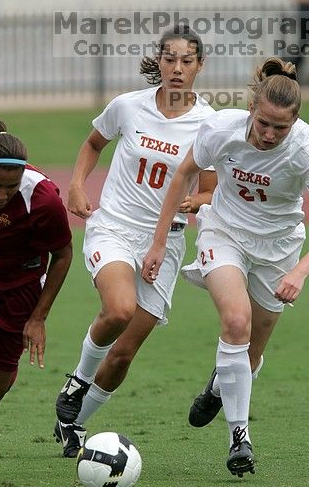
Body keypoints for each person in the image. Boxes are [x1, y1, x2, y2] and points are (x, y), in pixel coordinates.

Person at [142, 57, 309, 478]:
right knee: (236, 322)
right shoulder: (221, 130)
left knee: (251, 353)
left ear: (295, 123)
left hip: (279, 250)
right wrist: (160, 241)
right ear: (252, 108)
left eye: (281, 128)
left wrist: (299, 272)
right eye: (264, 123)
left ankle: (219, 385)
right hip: (224, 232)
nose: (269, 134)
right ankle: (239, 438)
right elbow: (183, 176)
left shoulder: (308, 149)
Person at [53, 25, 216, 457]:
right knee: (119, 309)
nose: (177, 68)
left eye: (186, 61)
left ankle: (74, 424)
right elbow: (93, 143)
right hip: (115, 227)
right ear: (158, 61)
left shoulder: (211, 124)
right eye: (169, 59)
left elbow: (211, 188)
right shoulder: (128, 106)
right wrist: (76, 185)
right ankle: (77, 381)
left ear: (200, 65)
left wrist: (192, 200)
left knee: (123, 354)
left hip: (167, 242)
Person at [0, 118, 72, 408]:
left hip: (21, 284)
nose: (3, 194)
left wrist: (38, 318)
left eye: (11, 186)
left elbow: (63, 255)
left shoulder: (43, 199)